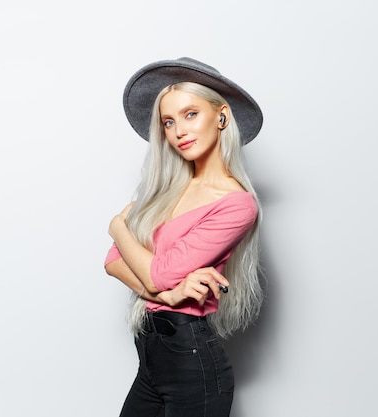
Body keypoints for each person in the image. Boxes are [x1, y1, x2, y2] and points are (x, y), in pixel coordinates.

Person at [104, 57, 264, 417]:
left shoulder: (237, 205)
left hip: (192, 366)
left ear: (221, 117)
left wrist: (117, 226)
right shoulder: (168, 190)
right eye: (169, 122)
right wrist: (170, 293)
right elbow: (113, 261)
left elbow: (153, 270)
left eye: (191, 114)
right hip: (151, 361)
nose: (178, 131)